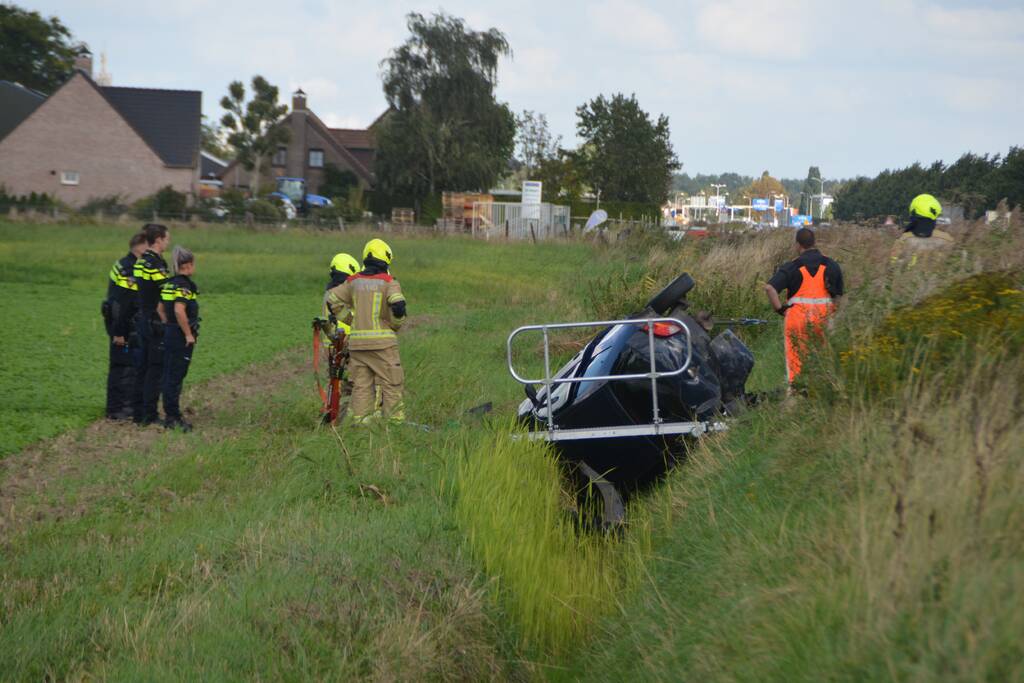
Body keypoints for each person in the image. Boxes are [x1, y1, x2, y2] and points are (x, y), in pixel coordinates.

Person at [325, 238, 408, 423]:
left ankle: (361, 427)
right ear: (386, 259)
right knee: (392, 384)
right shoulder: (388, 281)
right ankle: (395, 425)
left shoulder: (353, 282)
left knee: (361, 387)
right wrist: (396, 323)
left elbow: (332, 301)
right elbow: (398, 305)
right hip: (382, 346)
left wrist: (352, 320)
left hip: (358, 346)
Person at [764, 227, 844, 384]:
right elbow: (839, 296)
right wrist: (833, 313)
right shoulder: (831, 265)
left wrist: (780, 309)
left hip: (797, 320)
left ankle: (796, 395)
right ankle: (822, 393)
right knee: (823, 361)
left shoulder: (793, 266)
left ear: (798, 245)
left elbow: (769, 288)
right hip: (824, 320)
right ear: (814, 243)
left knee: (795, 364)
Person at [103, 232, 147, 420]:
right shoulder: (128, 268)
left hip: (121, 321)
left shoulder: (124, 263)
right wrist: (119, 331)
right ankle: (118, 409)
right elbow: (123, 303)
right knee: (123, 367)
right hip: (122, 322)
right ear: (141, 246)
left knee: (126, 365)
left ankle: (123, 406)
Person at [132, 223, 171, 425]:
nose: (168, 242)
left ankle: (138, 413)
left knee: (142, 368)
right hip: (155, 322)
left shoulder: (140, 262)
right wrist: (166, 320)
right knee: (155, 369)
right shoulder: (156, 263)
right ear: (158, 240)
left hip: (142, 319)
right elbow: (164, 294)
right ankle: (150, 415)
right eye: (166, 239)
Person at [160, 247, 200, 431]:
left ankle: (170, 413)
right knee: (175, 376)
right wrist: (187, 334)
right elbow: (179, 310)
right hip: (179, 336)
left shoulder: (169, 283)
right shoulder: (184, 285)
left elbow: (160, 308)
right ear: (189, 264)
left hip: (169, 332)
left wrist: (168, 325)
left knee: (169, 374)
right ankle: (173, 418)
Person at [890, 193, 954, 267]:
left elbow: (894, 265)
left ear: (913, 213)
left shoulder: (903, 239)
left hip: (911, 276)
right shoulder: (947, 239)